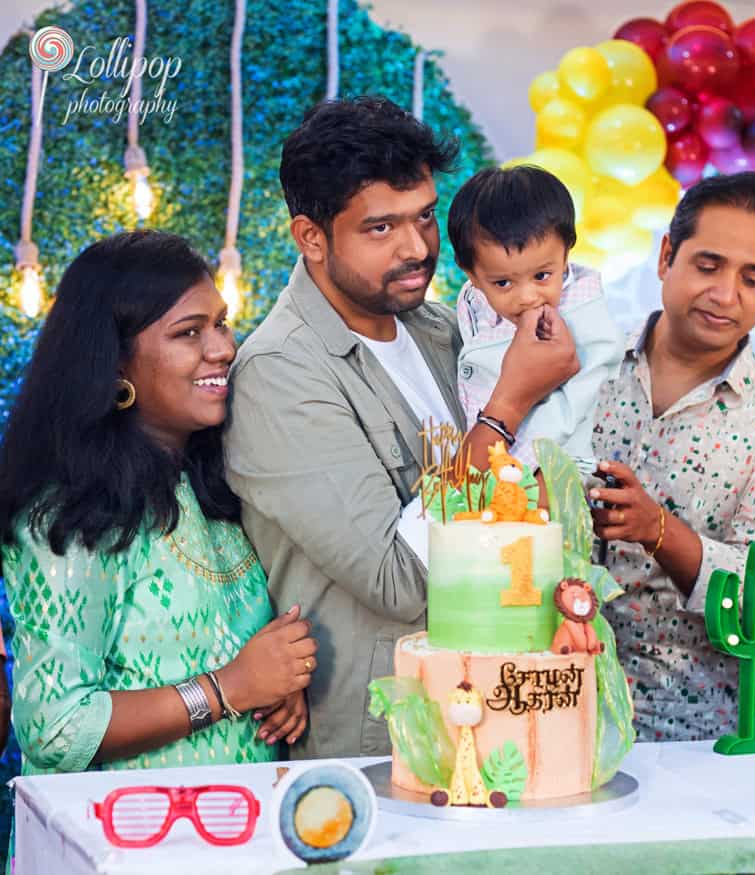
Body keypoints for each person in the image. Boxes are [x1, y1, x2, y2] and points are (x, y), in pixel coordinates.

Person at [224, 96, 580, 758]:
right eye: (380, 229)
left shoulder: (444, 328)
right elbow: (395, 580)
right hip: (383, 739)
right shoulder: (280, 375)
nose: (416, 248)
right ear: (311, 237)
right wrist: (503, 409)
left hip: (501, 707)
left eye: (422, 218)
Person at [0, 230, 318, 782]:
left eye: (220, 323)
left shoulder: (216, 482)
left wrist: (277, 690)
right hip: (118, 842)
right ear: (116, 364)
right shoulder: (68, 519)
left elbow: (248, 665)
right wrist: (229, 688)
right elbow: (54, 727)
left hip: (240, 838)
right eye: (188, 333)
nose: (222, 348)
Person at [586, 171, 755, 742]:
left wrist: (659, 531)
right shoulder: (578, 366)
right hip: (541, 716)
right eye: (708, 265)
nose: (726, 295)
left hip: (688, 739)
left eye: (752, 277)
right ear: (667, 256)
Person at [448, 165, 624, 470]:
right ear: (472, 275)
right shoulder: (472, 299)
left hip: (553, 467)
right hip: (487, 456)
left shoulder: (589, 326)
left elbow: (572, 410)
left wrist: (519, 470)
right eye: (503, 283)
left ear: (566, 254)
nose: (528, 296)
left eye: (542, 275)